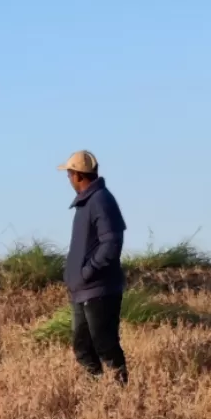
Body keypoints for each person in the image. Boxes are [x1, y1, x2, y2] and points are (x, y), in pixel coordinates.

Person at [58, 150, 128, 383]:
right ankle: (98, 397)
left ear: (78, 175)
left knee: (105, 346)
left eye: (69, 174)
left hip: (99, 290)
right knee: (83, 349)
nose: (68, 179)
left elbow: (112, 244)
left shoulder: (100, 200)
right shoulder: (86, 203)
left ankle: (122, 394)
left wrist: (87, 272)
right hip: (82, 290)